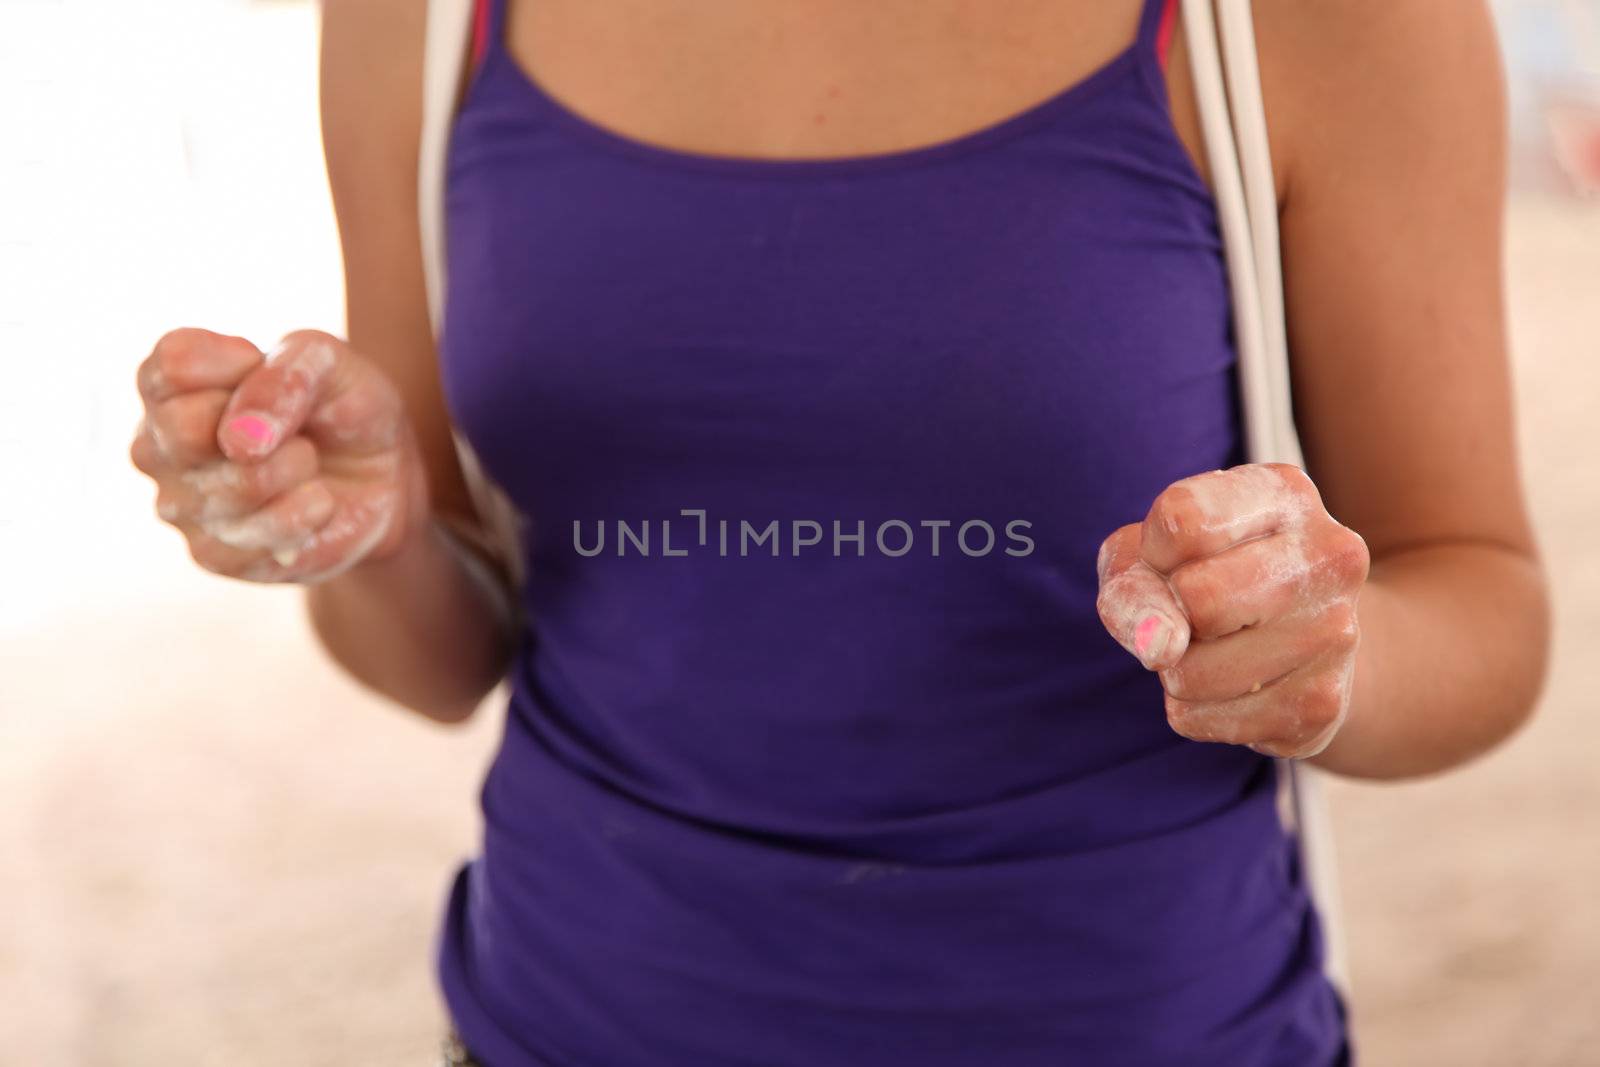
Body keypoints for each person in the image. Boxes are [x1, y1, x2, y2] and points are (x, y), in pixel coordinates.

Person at [128, 0, 1551, 1063]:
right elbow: (442, 665)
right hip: (554, 1017)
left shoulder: (1322, 23)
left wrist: (1320, 656)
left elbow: (1480, 596)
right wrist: (365, 537)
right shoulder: (417, 23)